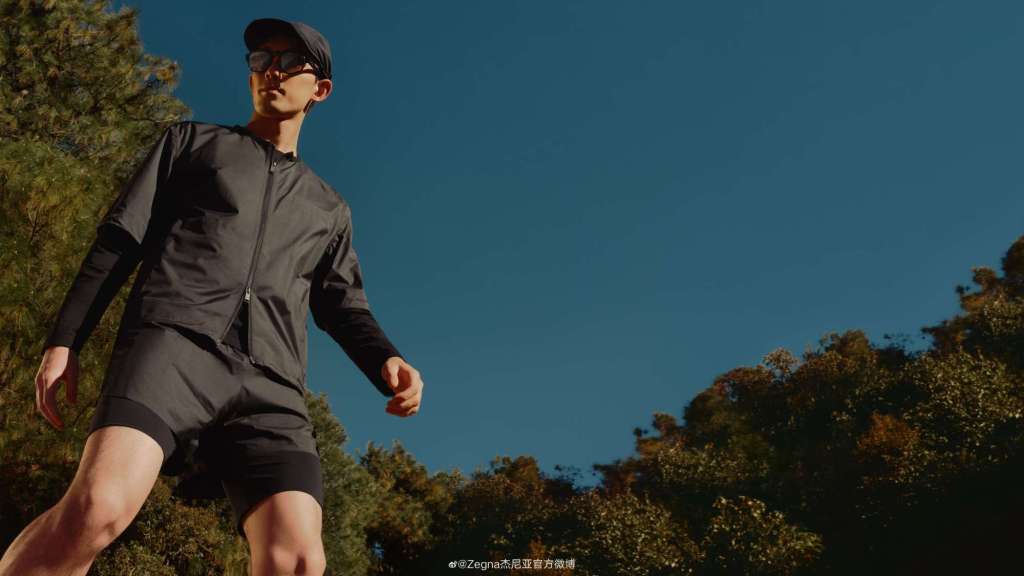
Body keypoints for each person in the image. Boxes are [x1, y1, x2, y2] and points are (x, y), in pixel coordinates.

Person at [0, 17, 424, 576]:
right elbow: (120, 241)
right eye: (261, 60)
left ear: (319, 89)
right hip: (173, 349)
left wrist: (386, 358)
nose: (271, 71)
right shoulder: (191, 145)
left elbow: (343, 306)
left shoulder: (329, 208)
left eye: (287, 61)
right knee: (97, 509)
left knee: (299, 560)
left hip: (272, 383)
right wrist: (65, 341)